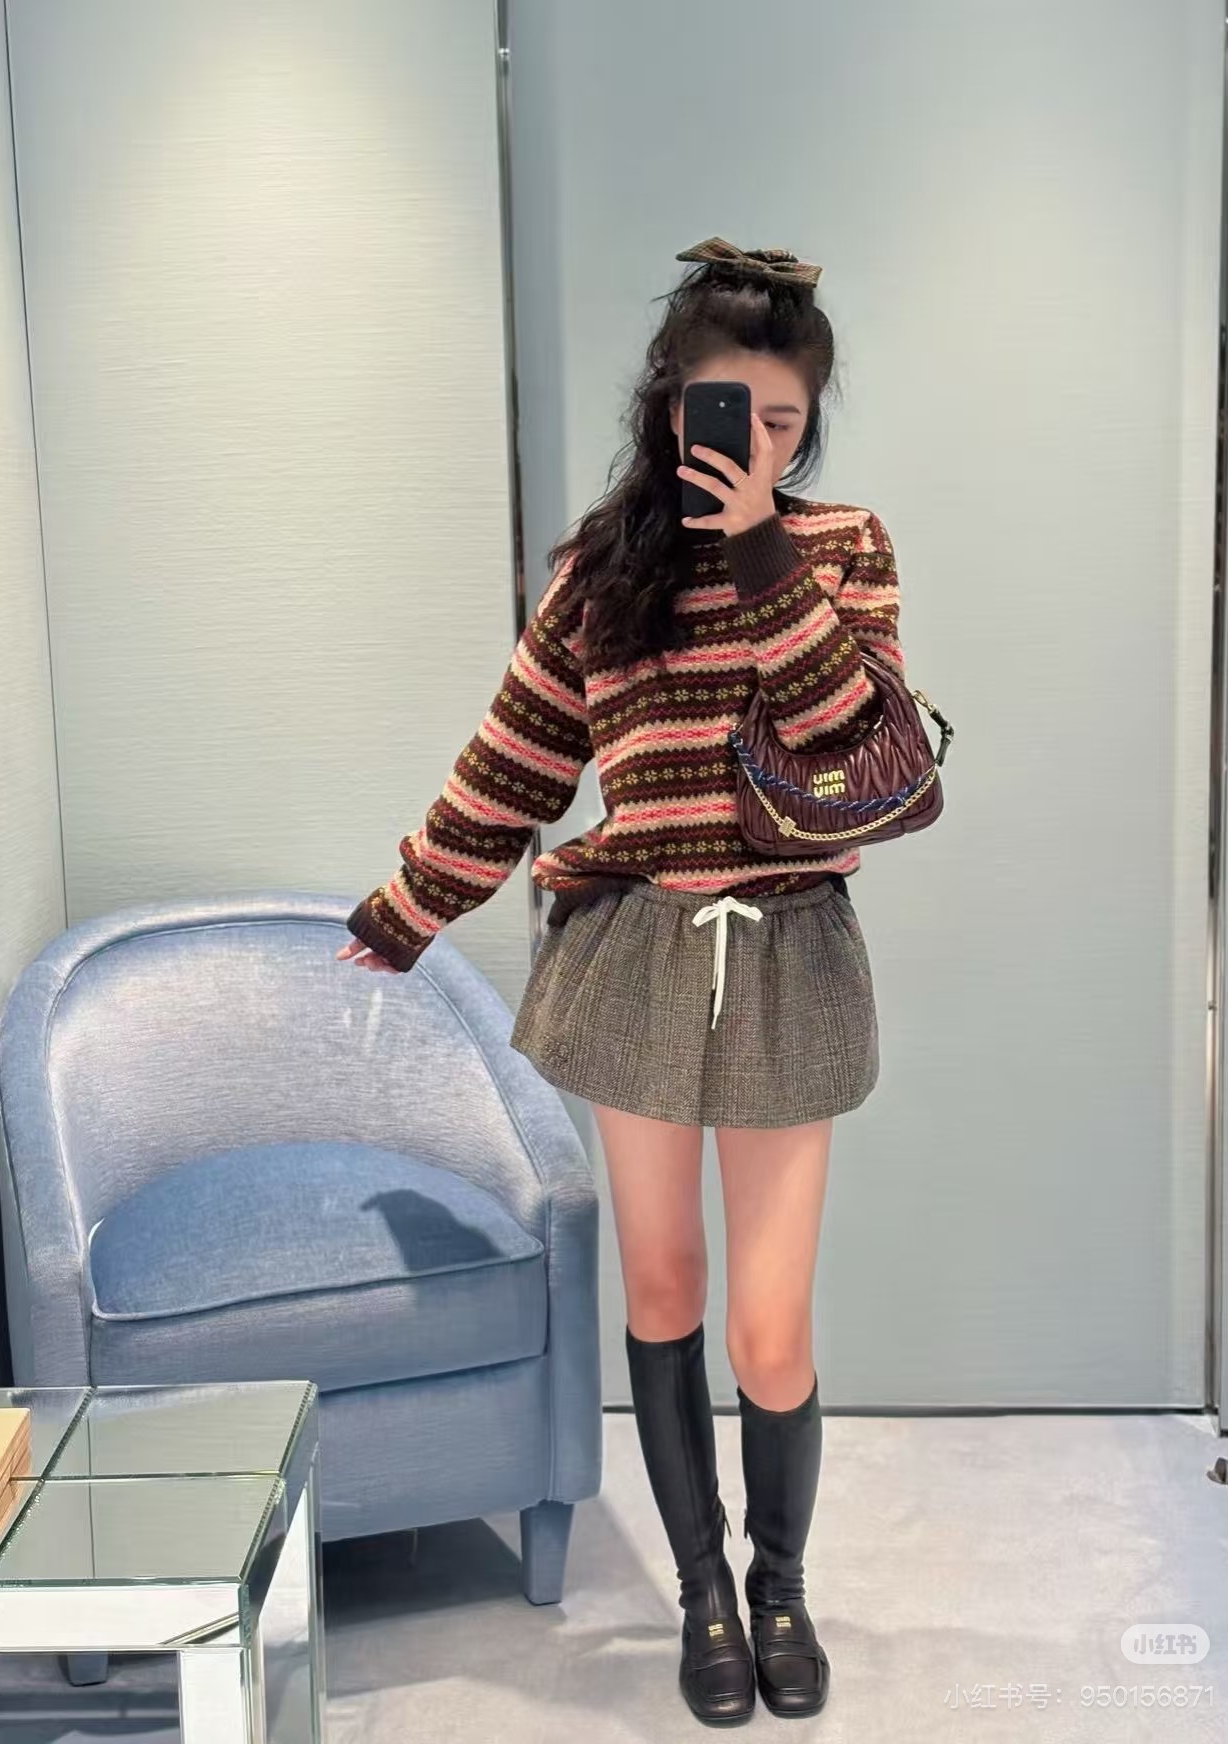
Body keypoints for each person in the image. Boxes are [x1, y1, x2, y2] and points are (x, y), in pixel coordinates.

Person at [337, 235, 905, 1726]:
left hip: (787, 949)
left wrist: (765, 550)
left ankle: (781, 1587)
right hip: (642, 947)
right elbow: (518, 756)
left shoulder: (844, 548)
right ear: (671, 402)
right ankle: (703, 1594)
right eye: (731, 413)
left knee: (771, 1327)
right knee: (662, 1285)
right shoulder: (602, 571)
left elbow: (849, 735)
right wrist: (409, 904)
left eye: (783, 420)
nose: (756, 442)